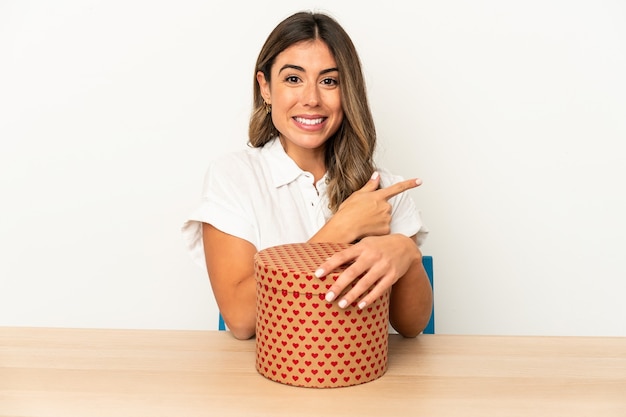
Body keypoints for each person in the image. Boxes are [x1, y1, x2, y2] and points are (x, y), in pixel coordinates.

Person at [182, 11, 432, 340]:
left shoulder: (383, 191)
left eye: (329, 81)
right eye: (293, 79)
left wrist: (407, 254)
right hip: (263, 380)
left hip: (360, 376)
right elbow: (242, 319)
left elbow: (411, 325)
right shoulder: (234, 178)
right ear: (266, 87)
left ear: (348, 92)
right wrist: (341, 229)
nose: (312, 99)